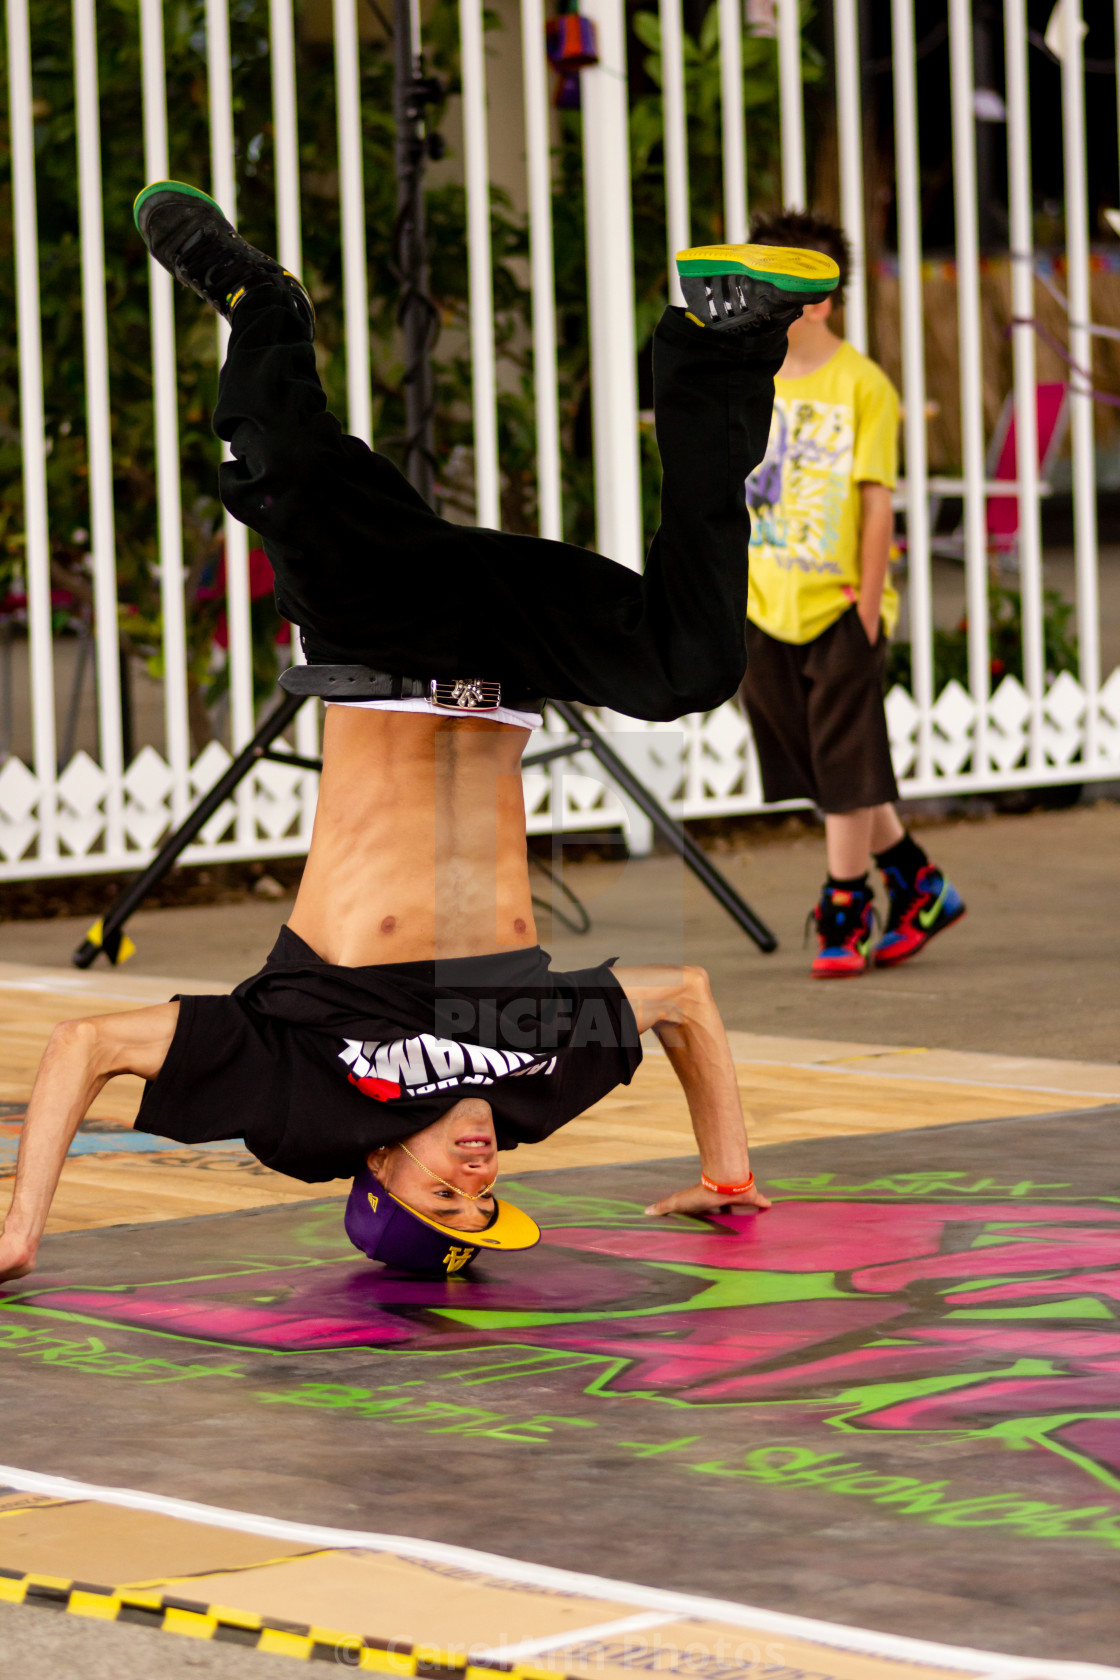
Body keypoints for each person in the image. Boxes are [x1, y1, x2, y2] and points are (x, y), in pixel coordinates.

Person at [0, 189, 838, 1284]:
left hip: (378, 634)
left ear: (378, 1168)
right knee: (694, 666)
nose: (478, 1175)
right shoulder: (532, 1071)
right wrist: (726, 1176)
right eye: (484, 1201)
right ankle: (715, 345)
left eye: (445, 1193)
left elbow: (85, 1050)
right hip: (507, 654)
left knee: (283, 476)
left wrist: (21, 1233)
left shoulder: (302, 1105)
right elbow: (685, 1002)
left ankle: (262, 301)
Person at [736, 208, 965, 979]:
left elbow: (876, 503)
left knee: (841, 756)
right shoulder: (746, 379)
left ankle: (846, 903)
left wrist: (868, 606)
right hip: (763, 598)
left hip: (839, 600)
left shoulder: (863, 385)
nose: (756, 291)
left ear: (819, 298)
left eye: (777, 281)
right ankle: (917, 880)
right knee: (816, 764)